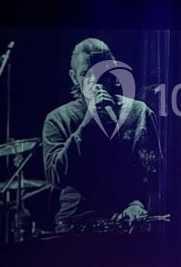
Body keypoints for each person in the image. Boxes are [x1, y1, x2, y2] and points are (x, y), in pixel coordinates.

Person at [42, 38, 161, 233]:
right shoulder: (58, 119)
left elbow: (152, 173)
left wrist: (138, 203)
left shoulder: (138, 112)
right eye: (84, 74)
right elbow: (56, 176)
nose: (94, 81)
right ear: (73, 77)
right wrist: (88, 123)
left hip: (126, 221)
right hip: (75, 222)